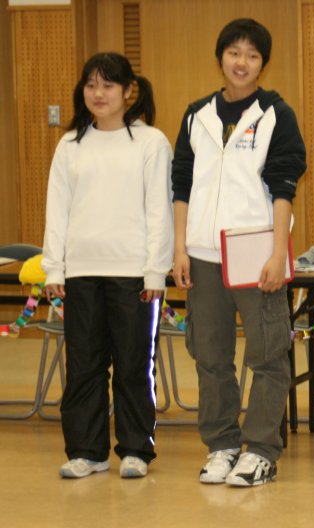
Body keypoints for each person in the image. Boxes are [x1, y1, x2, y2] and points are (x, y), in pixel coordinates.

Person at [171, 18, 306, 487]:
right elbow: (181, 185)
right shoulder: (197, 115)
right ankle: (222, 445)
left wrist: (277, 252)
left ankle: (262, 450)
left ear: (262, 63)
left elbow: (284, 186)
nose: (241, 62)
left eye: (251, 54)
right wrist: (180, 247)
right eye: (234, 53)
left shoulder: (275, 114)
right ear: (220, 59)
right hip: (202, 255)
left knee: (268, 355)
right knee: (210, 357)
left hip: (255, 251)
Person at [42, 52, 173, 479]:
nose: (98, 93)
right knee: (84, 365)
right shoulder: (70, 144)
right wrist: (54, 267)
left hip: (134, 274)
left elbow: (159, 211)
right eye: (91, 85)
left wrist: (155, 271)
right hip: (80, 272)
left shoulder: (151, 142)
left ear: (128, 91)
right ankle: (87, 451)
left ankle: (136, 449)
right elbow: (57, 209)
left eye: (108, 85)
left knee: (134, 364)